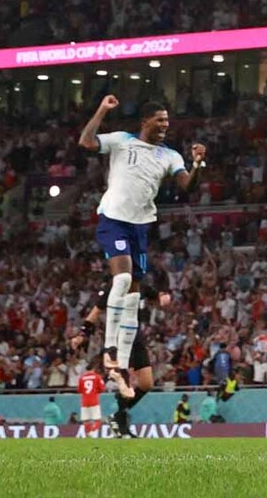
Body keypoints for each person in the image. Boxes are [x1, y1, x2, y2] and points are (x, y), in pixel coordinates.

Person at [77, 95, 206, 373]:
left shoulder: (170, 155)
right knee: (122, 278)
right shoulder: (122, 140)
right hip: (114, 220)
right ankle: (110, 348)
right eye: (160, 120)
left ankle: (121, 360)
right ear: (145, 121)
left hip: (140, 226)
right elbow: (87, 141)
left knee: (134, 295)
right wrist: (101, 110)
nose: (164, 125)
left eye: (167, 121)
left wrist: (197, 164)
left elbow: (186, 187)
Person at [72, 283, 170, 438]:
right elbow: (96, 311)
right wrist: (82, 334)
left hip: (137, 338)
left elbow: (157, 294)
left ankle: (119, 414)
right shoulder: (115, 286)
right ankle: (120, 420)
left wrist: (163, 296)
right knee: (128, 378)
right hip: (119, 338)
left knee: (147, 383)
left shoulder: (141, 285)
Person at [77, 363, 106, 437]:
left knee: (86, 420)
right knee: (97, 420)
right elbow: (102, 388)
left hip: (85, 401)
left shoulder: (82, 378)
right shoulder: (97, 377)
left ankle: (88, 434)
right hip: (94, 401)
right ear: (93, 369)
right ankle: (93, 431)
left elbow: (79, 390)